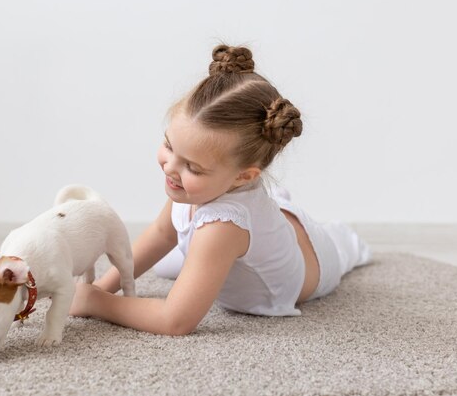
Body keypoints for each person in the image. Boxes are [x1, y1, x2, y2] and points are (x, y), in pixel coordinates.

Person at [69, 44, 371, 335]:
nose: (170, 167)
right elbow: (163, 234)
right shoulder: (191, 186)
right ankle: (272, 212)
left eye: (192, 167)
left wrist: (99, 302)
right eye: (168, 145)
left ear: (242, 177)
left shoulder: (223, 225)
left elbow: (175, 320)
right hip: (259, 221)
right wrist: (103, 285)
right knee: (165, 265)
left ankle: (320, 231)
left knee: (346, 244)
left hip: (314, 257)